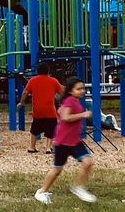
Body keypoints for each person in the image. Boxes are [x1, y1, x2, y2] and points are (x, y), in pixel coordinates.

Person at [34, 76, 97, 205]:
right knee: (57, 169)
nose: (82, 91)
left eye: (82, 88)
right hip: (63, 142)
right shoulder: (70, 101)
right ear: (70, 91)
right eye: (78, 89)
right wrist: (83, 115)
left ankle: (79, 187)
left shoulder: (73, 101)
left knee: (88, 162)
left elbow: (60, 111)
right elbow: (65, 117)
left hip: (74, 141)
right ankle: (41, 192)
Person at [18, 62, 63, 153]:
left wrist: (21, 102)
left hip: (37, 110)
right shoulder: (53, 81)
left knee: (35, 128)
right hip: (50, 110)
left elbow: (25, 92)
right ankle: (48, 147)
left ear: (38, 71)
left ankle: (32, 147)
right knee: (51, 129)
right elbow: (61, 92)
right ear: (48, 71)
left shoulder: (33, 80)